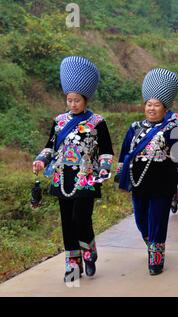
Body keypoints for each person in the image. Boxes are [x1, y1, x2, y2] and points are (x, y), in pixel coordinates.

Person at [32, 56, 114, 283]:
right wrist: (41, 160)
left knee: (81, 217)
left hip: (86, 176)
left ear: (85, 100)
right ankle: (72, 263)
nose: (73, 104)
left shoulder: (97, 122)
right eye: (69, 100)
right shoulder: (59, 121)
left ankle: (89, 252)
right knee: (67, 221)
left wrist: (105, 169)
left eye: (77, 100)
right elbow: (49, 146)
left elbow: (106, 151)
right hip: (62, 177)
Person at [116, 68, 178, 275]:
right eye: (149, 104)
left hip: (162, 182)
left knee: (158, 219)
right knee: (141, 219)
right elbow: (125, 152)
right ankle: (150, 242)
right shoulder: (135, 127)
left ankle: (156, 257)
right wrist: (121, 175)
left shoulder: (173, 127)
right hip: (139, 181)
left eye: (156, 105)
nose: (152, 108)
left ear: (165, 108)